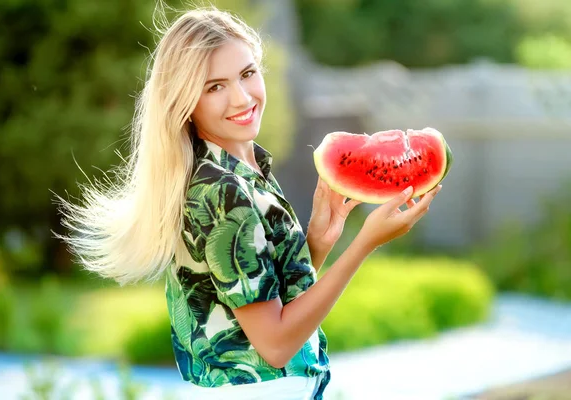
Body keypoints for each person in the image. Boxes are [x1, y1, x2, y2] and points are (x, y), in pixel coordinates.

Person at [55, 4, 441, 400]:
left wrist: (316, 245)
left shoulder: (242, 174)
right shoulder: (222, 192)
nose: (241, 98)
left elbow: (264, 304)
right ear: (186, 101)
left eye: (247, 74)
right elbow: (274, 346)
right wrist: (364, 245)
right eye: (214, 86)